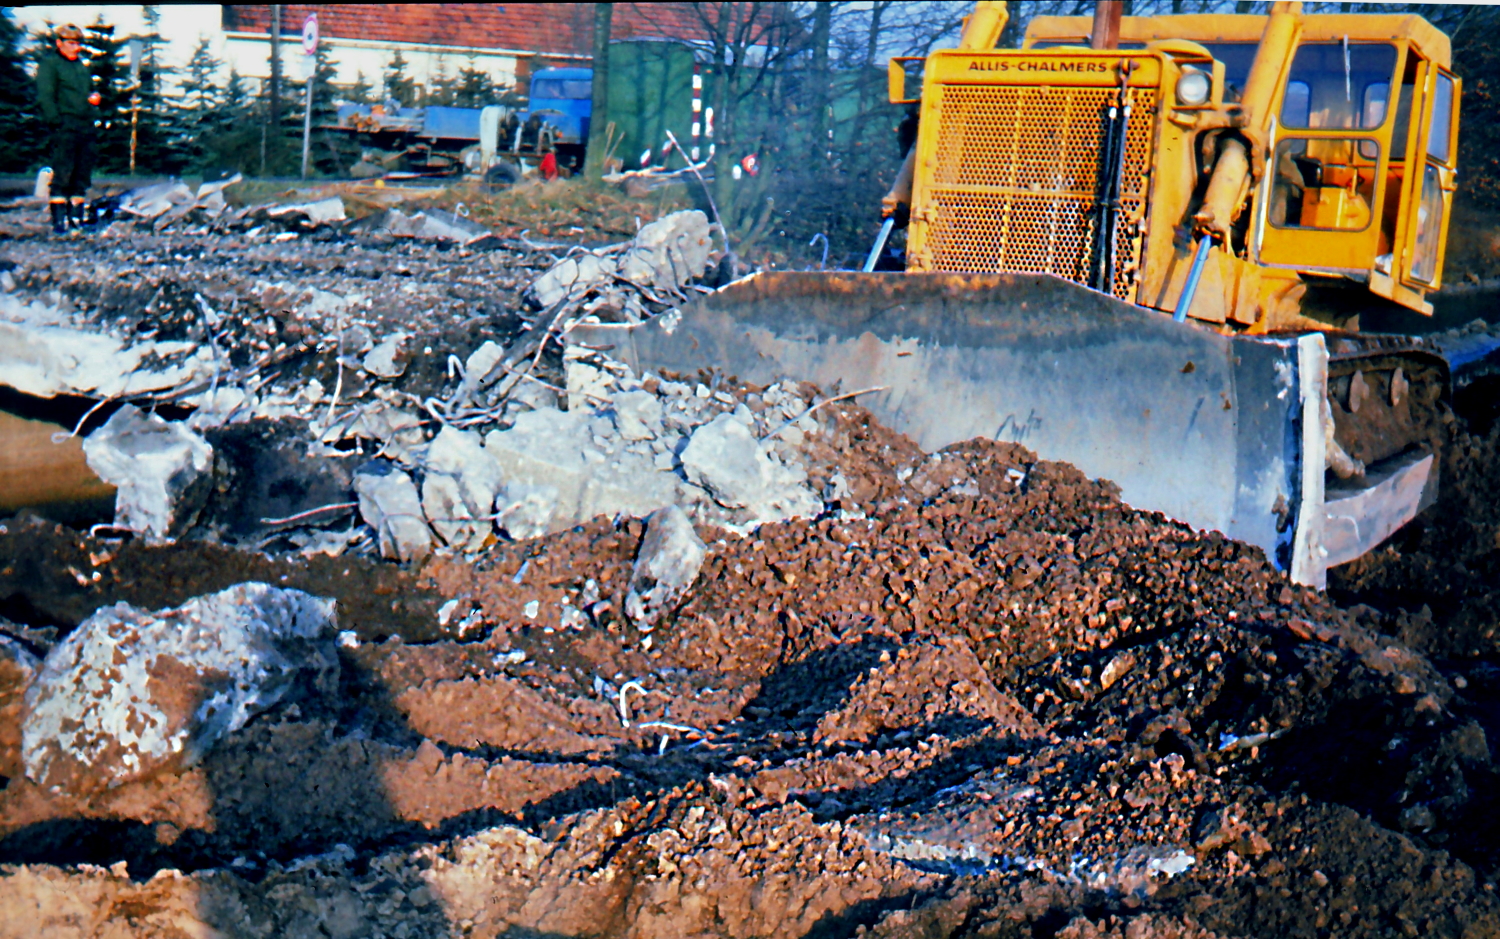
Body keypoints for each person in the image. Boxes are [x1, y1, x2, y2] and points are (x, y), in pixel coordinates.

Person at [35, 24, 100, 235]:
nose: (76, 47)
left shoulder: (82, 67)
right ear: (59, 42)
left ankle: (76, 219)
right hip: (64, 125)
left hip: (85, 126)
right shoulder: (50, 64)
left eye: (78, 42)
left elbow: (88, 94)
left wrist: (94, 103)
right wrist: (55, 121)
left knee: (82, 174)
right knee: (63, 172)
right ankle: (59, 222)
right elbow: (46, 95)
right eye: (71, 42)